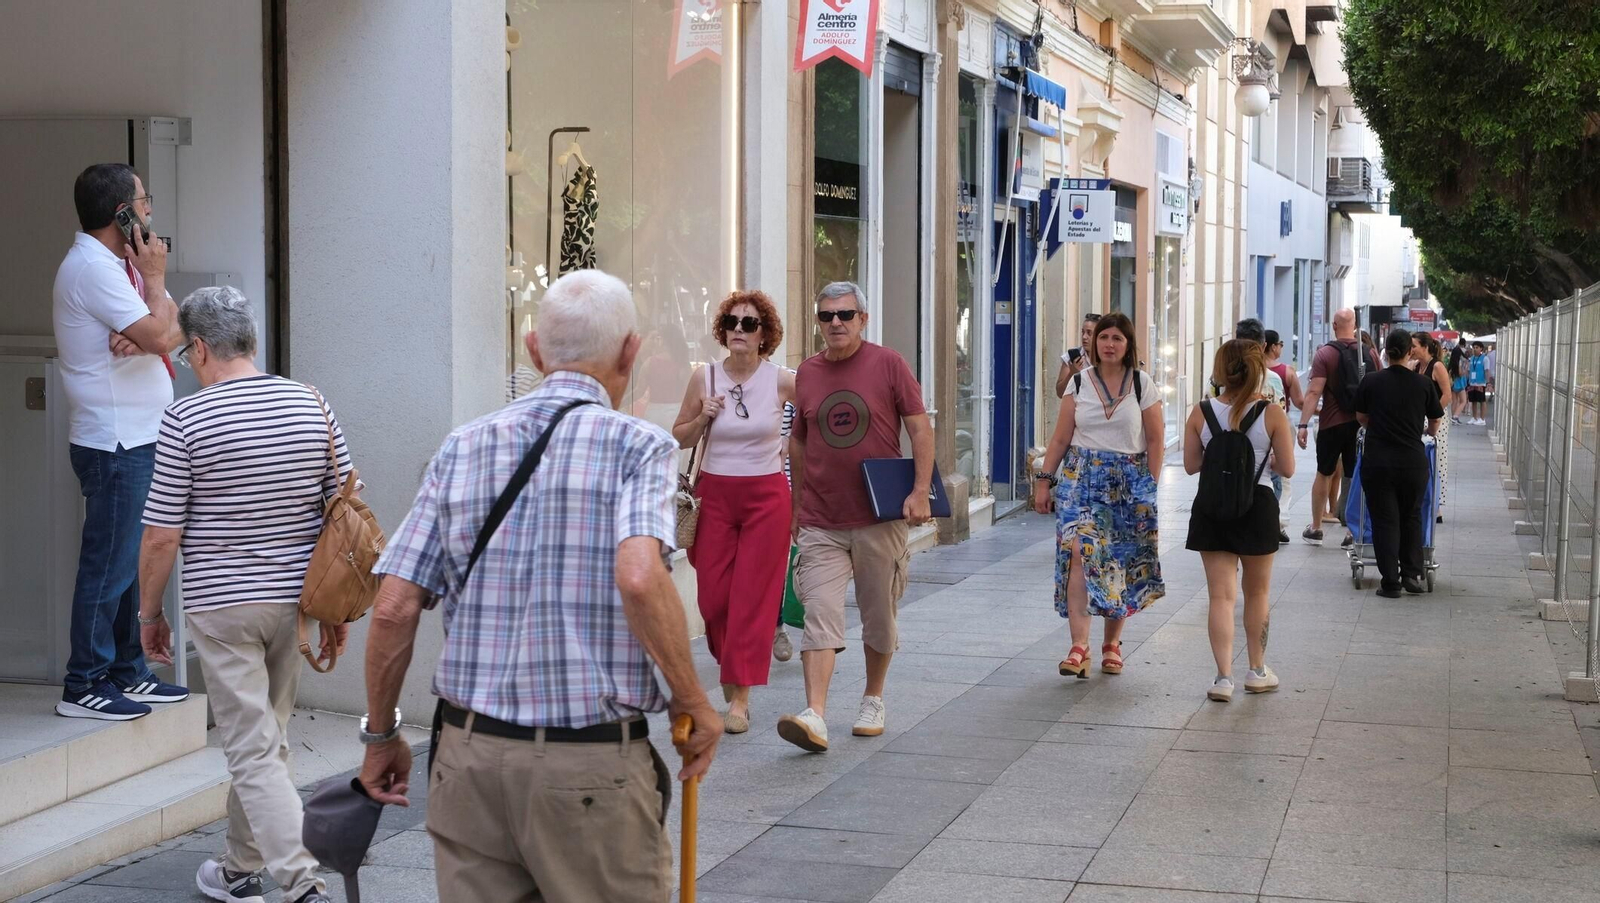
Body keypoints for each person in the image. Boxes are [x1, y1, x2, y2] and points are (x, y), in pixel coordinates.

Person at [357, 270, 722, 900]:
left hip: (469, 758)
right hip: (587, 767)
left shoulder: (462, 446)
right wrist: (691, 700)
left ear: (534, 350)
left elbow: (393, 606)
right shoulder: (640, 446)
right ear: (631, 351)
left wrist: (381, 734)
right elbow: (639, 575)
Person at [136, 287, 343, 903]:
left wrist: (149, 613)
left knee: (254, 750)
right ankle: (237, 868)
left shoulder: (187, 419)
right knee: (267, 741)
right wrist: (336, 608)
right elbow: (342, 510)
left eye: (184, 353)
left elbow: (161, 535)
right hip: (296, 603)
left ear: (200, 348)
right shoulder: (311, 402)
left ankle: (302, 884)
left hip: (224, 607)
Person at [52, 163, 189, 720]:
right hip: (114, 443)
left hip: (141, 437)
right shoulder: (94, 269)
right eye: (144, 201)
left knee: (130, 563)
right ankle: (83, 682)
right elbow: (164, 330)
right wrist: (155, 301)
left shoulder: (122, 265)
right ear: (123, 213)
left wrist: (153, 329)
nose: (151, 211)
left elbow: (180, 326)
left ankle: (128, 671)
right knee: (108, 565)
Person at [776, 282, 934, 752]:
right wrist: (796, 505)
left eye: (845, 314)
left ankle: (872, 698)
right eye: (827, 316)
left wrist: (920, 490)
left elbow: (919, 427)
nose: (836, 323)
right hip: (821, 518)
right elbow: (799, 440)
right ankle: (815, 714)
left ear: (863, 319)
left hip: (878, 516)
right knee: (819, 612)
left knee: (878, 615)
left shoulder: (889, 364)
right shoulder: (808, 372)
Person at [671, 291, 795, 733]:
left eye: (749, 323)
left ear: (765, 335)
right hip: (715, 495)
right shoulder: (703, 377)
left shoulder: (782, 380)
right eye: (732, 323)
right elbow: (679, 437)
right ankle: (732, 664)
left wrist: (792, 445)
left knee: (750, 597)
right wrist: (702, 417)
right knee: (713, 598)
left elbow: (815, 417)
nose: (739, 330)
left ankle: (740, 698)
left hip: (767, 496)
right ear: (723, 330)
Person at [1032, 312, 1165, 678]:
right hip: (1080, 478)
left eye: (1117, 338)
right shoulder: (1079, 384)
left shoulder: (1142, 384)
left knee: (1117, 560)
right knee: (1078, 552)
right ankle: (1079, 645)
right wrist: (1044, 481)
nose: (1109, 344)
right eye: (1104, 337)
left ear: (1128, 344)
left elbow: (1156, 440)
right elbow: (1061, 438)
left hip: (1127, 482)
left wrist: (1149, 487)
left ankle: (1111, 644)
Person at [1183, 339, 1294, 701]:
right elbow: (1287, 468)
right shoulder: (1271, 413)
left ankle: (1223, 678)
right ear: (1258, 369)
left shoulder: (1201, 412)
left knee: (1220, 596)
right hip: (1257, 505)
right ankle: (1257, 671)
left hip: (1212, 506)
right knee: (1257, 592)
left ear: (1220, 370)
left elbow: (1191, 465)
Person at [1356, 329, 1445, 598]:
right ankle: (1411, 575)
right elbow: (1435, 420)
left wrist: (1379, 426)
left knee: (1384, 520)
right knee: (1411, 516)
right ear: (1409, 352)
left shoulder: (1371, 381)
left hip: (1378, 461)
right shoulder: (1423, 384)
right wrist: (1425, 431)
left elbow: (1361, 417)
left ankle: (1390, 582)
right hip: (1412, 462)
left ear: (1386, 351)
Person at [1299, 309, 1381, 549]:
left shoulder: (1325, 353)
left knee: (1324, 473)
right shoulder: (1370, 353)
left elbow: (1314, 392)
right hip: (1361, 425)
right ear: (1355, 326)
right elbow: (1378, 387)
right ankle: (1352, 532)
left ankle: (1316, 528)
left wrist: (1303, 425)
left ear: (1334, 325)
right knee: (1355, 475)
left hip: (1331, 424)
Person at [1411, 333, 1452, 523]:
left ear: (1425, 347)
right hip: (1420, 418)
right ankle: (1425, 501)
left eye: (1414, 346)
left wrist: (1434, 413)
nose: (1411, 349)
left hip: (1437, 419)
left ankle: (1437, 507)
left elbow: (1447, 394)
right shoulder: (1417, 366)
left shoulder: (1437, 366)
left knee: (1437, 460)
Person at [1055, 312, 1101, 398]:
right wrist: (1072, 373)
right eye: (1083, 332)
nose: (1084, 337)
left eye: (1089, 333)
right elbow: (1060, 393)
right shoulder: (1071, 358)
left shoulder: (1107, 358)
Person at [1466, 341, 1490, 425]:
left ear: (1481, 349)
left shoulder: (1485, 358)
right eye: (1474, 348)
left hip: (1481, 383)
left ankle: (1482, 419)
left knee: (1482, 401)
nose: (1475, 349)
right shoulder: (1471, 359)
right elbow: (1468, 371)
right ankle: (1474, 417)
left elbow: (1486, 371)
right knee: (1473, 401)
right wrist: (1467, 381)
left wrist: (1488, 382)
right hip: (1472, 383)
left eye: (1477, 347)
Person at [1447, 339, 1470, 423]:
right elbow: (1460, 373)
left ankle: (1453, 417)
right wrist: (1465, 370)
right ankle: (1455, 416)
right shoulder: (1459, 361)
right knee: (1463, 401)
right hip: (1460, 383)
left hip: (1453, 383)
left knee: (1454, 401)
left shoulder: (1451, 362)